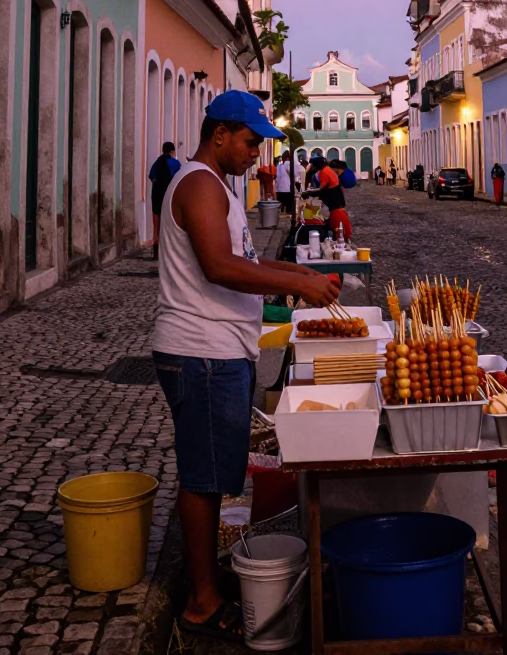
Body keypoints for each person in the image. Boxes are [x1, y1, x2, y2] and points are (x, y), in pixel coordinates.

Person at [152, 91, 338, 638]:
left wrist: (289, 282)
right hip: (201, 351)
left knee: (214, 473)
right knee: (205, 479)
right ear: (220, 134)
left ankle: (206, 582)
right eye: (251, 142)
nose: (257, 154)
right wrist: (297, 282)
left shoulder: (217, 187)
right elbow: (218, 266)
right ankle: (202, 601)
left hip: (218, 349)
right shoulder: (201, 184)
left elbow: (244, 262)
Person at [303, 154, 353, 239]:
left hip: (336, 208)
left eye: (313, 165)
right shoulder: (327, 170)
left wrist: (308, 193)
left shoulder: (323, 172)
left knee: (339, 234)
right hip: (337, 206)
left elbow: (322, 190)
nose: (312, 167)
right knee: (338, 231)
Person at [148, 141, 181, 260]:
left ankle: (156, 250)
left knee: (156, 225)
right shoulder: (175, 163)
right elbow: (179, 179)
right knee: (168, 224)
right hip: (169, 196)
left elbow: (152, 177)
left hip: (156, 196)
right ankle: (167, 251)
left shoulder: (157, 162)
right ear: (172, 152)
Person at [275, 150, 295, 215]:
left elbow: (277, 178)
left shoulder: (279, 167)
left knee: (280, 208)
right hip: (289, 190)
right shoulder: (291, 165)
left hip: (280, 190)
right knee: (289, 209)